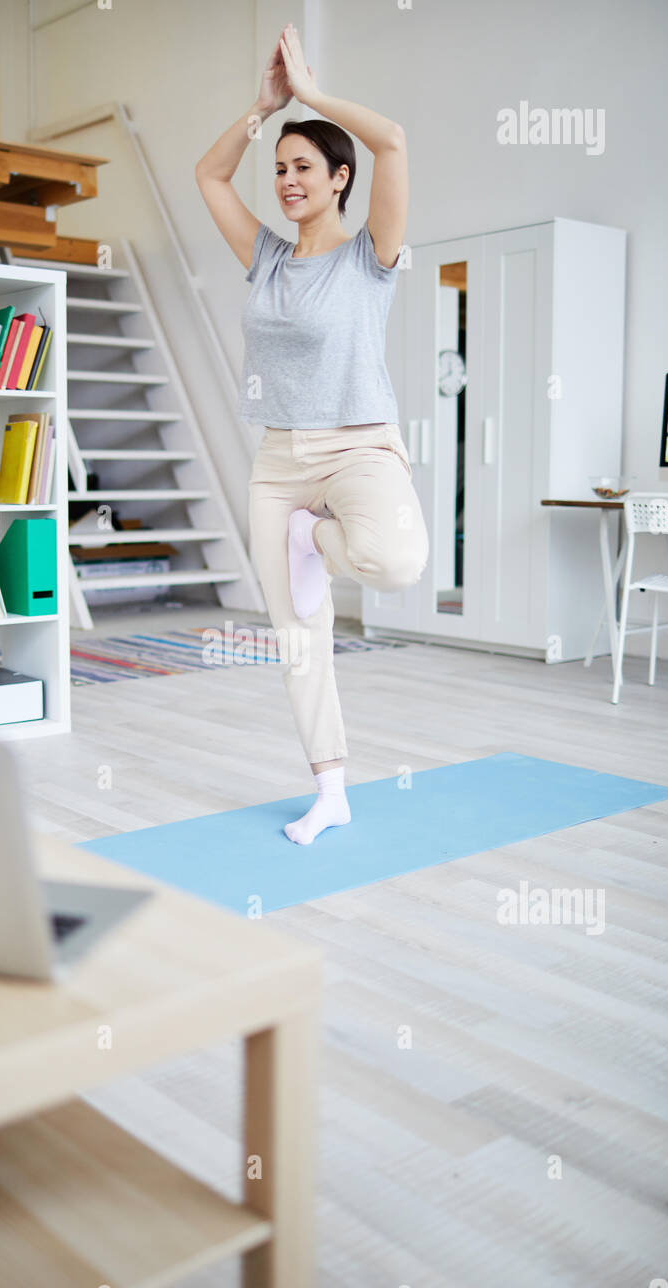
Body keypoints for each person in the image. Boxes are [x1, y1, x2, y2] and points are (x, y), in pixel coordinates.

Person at [195, 22, 429, 845]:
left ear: (339, 180)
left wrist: (312, 93)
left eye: (304, 169)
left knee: (397, 560)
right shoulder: (263, 256)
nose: (288, 181)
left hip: (360, 446)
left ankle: (315, 539)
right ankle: (331, 790)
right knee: (298, 641)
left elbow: (393, 142)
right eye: (281, 169)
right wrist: (263, 108)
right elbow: (209, 174)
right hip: (279, 460)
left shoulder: (371, 257)